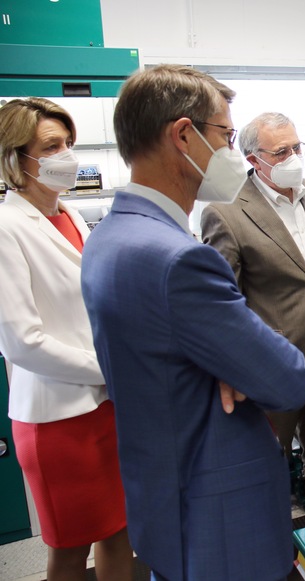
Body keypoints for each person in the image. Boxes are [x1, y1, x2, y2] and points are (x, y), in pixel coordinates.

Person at [81, 64, 305, 581]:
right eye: (226, 136)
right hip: (219, 517)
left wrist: (228, 358)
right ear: (184, 136)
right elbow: (286, 379)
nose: (230, 151)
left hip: (162, 498)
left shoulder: (108, 238)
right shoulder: (178, 260)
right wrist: (239, 362)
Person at [0, 98, 133, 580]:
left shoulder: (70, 215)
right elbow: (22, 341)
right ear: (16, 157)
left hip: (104, 408)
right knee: (70, 549)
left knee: (119, 532)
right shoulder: (6, 228)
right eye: (51, 147)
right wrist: (108, 369)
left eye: (69, 144)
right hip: (57, 419)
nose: (67, 156)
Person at [201, 111, 305, 500]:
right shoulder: (225, 212)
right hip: (271, 364)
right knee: (266, 461)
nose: (294, 158)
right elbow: (223, 305)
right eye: (282, 152)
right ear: (254, 160)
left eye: (297, 147)